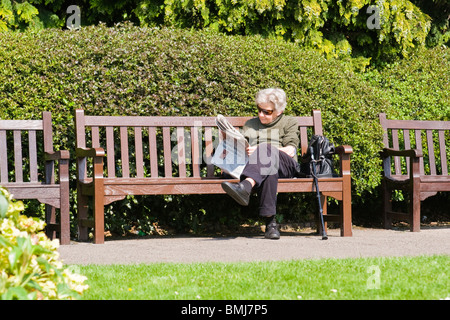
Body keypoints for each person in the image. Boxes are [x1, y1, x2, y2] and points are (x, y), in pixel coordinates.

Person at [221, 88, 300, 240]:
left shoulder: (289, 122)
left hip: (286, 164)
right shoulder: (250, 124)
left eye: (267, 112)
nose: (261, 114)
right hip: (261, 167)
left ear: (279, 111)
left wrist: (262, 149)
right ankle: (271, 225)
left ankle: (246, 186)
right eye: (259, 110)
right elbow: (241, 148)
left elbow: (290, 150)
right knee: (269, 169)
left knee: (265, 151)